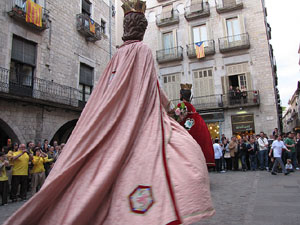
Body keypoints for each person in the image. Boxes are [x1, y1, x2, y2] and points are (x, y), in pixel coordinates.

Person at [4, 1, 214, 224]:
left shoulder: (118, 54)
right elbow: (153, 85)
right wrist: (172, 110)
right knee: (184, 149)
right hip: (139, 119)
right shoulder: (142, 50)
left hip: (113, 118)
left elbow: (108, 86)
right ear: (142, 29)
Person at [175, 83, 215, 167]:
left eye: (179, 94)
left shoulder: (181, 106)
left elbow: (175, 119)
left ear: (182, 95)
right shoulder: (192, 108)